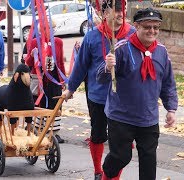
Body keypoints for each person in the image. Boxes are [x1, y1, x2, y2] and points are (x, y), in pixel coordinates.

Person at [97, 8, 178, 180]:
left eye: (156, 27)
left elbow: (168, 83)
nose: (152, 31)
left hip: (148, 118)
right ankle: (104, 175)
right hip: (121, 117)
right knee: (121, 157)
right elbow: (101, 78)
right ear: (136, 26)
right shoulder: (121, 48)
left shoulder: (162, 52)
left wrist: (171, 109)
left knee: (149, 164)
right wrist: (107, 67)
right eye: (147, 27)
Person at [62, 0, 135, 179]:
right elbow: (81, 66)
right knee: (98, 135)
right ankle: (97, 171)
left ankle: (113, 176)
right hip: (98, 96)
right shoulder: (92, 36)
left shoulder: (132, 34)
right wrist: (70, 88)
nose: (119, 14)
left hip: (124, 99)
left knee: (120, 141)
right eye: (115, 10)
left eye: (122, 10)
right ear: (104, 14)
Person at [25, 21, 66, 143]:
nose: (50, 31)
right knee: (40, 103)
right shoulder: (34, 42)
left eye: (52, 28)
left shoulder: (58, 42)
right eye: (47, 28)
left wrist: (63, 80)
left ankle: (54, 132)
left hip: (54, 77)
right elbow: (28, 62)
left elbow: (60, 62)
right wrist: (32, 55)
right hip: (40, 77)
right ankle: (38, 130)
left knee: (56, 103)